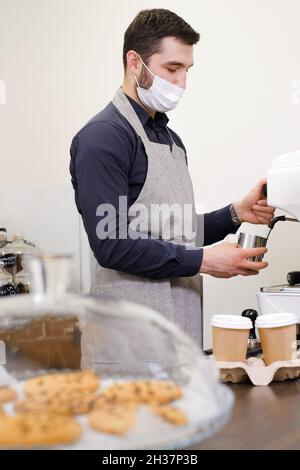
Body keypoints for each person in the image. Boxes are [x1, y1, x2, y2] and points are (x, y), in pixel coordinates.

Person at [70, 9, 274, 347]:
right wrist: (204, 260)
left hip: (178, 337)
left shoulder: (169, 140)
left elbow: (171, 229)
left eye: (187, 70)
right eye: (172, 69)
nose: (181, 83)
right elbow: (111, 244)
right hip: (129, 345)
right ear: (134, 63)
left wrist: (236, 213)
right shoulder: (103, 138)